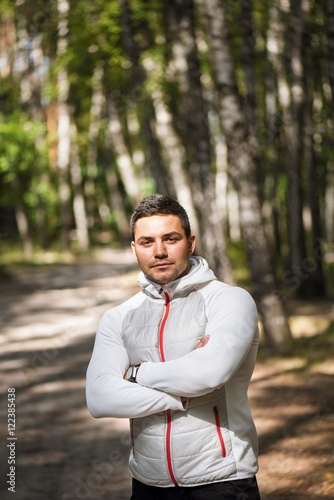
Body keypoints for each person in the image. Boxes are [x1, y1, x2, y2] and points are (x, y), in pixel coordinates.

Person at [86, 194, 261, 500]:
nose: (159, 251)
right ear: (134, 248)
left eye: (171, 238)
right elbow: (100, 398)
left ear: (190, 243)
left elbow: (209, 374)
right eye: (146, 242)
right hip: (147, 484)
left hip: (222, 482)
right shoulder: (119, 317)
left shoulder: (229, 300)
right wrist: (181, 394)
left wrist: (134, 374)